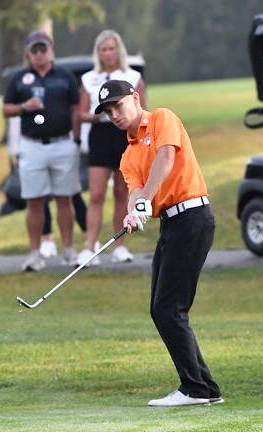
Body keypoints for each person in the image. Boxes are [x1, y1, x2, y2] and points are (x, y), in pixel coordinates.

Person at [94, 79, 223, 407]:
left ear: (135, 98)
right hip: (171, 224)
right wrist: (133, 213)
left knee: (169, 308)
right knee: (161, 308)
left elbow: (166, 158)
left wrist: (144, 202)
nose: (114, 115)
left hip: (193, 216)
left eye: (118, 106)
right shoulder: (127, 155)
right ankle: (205, 387)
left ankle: (194, 389)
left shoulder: (162, 118)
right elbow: (135, 192)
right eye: (108, 111)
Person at [2, 30, 81, 271]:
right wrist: (24, 107)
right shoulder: (20, 78)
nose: (39, 54)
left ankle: (68, 250)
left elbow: (76, 109)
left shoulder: (64, 77)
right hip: (32, 145)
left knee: (64, 198)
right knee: (34, 201)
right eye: (34, 50)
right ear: (28, 52)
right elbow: (6, 109)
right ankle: (35, 254)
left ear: (51, 49)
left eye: (42, 49)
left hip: (62, 143)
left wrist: (76, 140)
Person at [76, 30, 147, 267]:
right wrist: (97, 116)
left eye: (112, 48)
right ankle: (90, 247)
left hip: (124, 135)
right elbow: (81, 113)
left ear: (119, 51)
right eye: (104, 49)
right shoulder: (89, 78)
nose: (108, 53)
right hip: (100, 135)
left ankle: (119, 246)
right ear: (98, 52)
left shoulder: (132, 76)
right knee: (96, 194)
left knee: (120, 192)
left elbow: (142, 111)